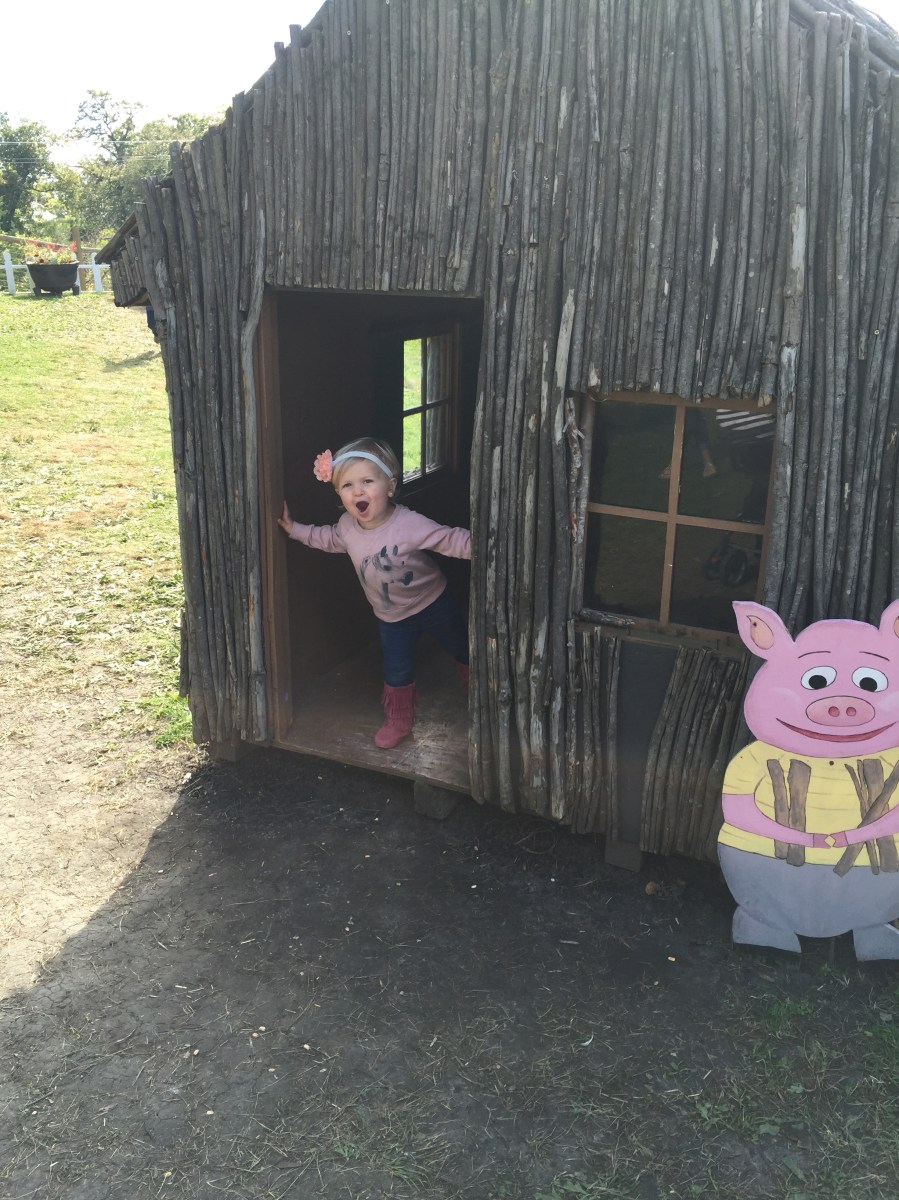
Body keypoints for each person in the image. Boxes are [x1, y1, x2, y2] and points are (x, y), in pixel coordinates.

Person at [277, 437, 471, 749]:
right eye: (347, 485)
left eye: (367, 481)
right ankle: (399, 719)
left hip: (434, 602)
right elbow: (327, 538)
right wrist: (294, 529)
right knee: (396, 669)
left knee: (462, 646)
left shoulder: (409, 523)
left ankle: (479, 694)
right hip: (392, 618)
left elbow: (448, 540)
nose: (358, 492)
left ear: (390, 486)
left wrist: (484, 545)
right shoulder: (346, 527)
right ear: (339, 494)